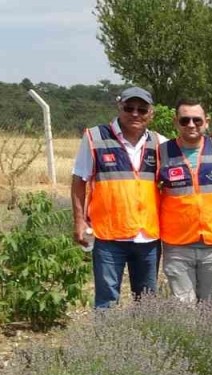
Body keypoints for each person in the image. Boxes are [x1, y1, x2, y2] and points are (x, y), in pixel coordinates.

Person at [70, 86, 165, 308]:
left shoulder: (161, 143)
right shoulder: (95, 137)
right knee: (106, 302)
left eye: (142, 110)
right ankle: (104, 342)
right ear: (119, 106)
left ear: (151, 113)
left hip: (148, 237)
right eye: (129, 107)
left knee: (147, 304)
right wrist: (79, 221)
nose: (135, 114)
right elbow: (79, 181)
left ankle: (145, 343)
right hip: (108, 236)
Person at [155, 98, 212, 306]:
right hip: (177, 245)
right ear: (176, 122)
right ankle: (190, 340)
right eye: (185, 120)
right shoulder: (161, 152)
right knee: (184, 307)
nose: (191, 125)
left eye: (197, 120)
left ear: (207, 121)